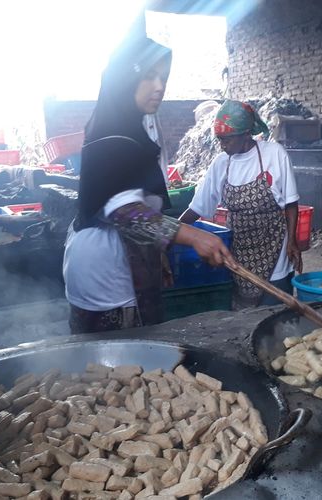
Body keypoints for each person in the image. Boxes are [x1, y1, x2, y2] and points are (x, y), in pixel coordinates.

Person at [63, 36, 233, 334]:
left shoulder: (128, 130)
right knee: (121, 367)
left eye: (163, 77)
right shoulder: (114, 138)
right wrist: (194, 237)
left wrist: (160, 253)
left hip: (105, 263)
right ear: (126, 78)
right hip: (107, 274)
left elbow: (136, 201)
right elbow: (127, 214)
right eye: (149, 76)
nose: (159, 86)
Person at [180, 100, 303, 309]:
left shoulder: (274, 154)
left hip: (275, 249)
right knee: (244, 319)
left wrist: (292, 241)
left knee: (275, 312)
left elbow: (291, 203)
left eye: (227, 139)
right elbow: (198, 207)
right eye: (219, 139)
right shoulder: (221, 163)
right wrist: (172, 232)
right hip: (239, 255)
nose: (222, 145)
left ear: (246, 134)